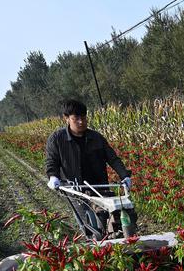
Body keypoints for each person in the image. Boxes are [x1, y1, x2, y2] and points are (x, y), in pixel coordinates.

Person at [45, 99, 135, 237]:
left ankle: (116, 238)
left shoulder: (96, 138)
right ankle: (95, 242)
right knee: (90, 224)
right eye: (76, 118)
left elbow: (112, 158)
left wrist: (124, 175)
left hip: (99, 186)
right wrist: (53, 177)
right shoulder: (57, 139)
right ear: (67, 118)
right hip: (75, 189)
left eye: (84, 118)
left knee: (116, 213)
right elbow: (52, 161)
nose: (81, 122)